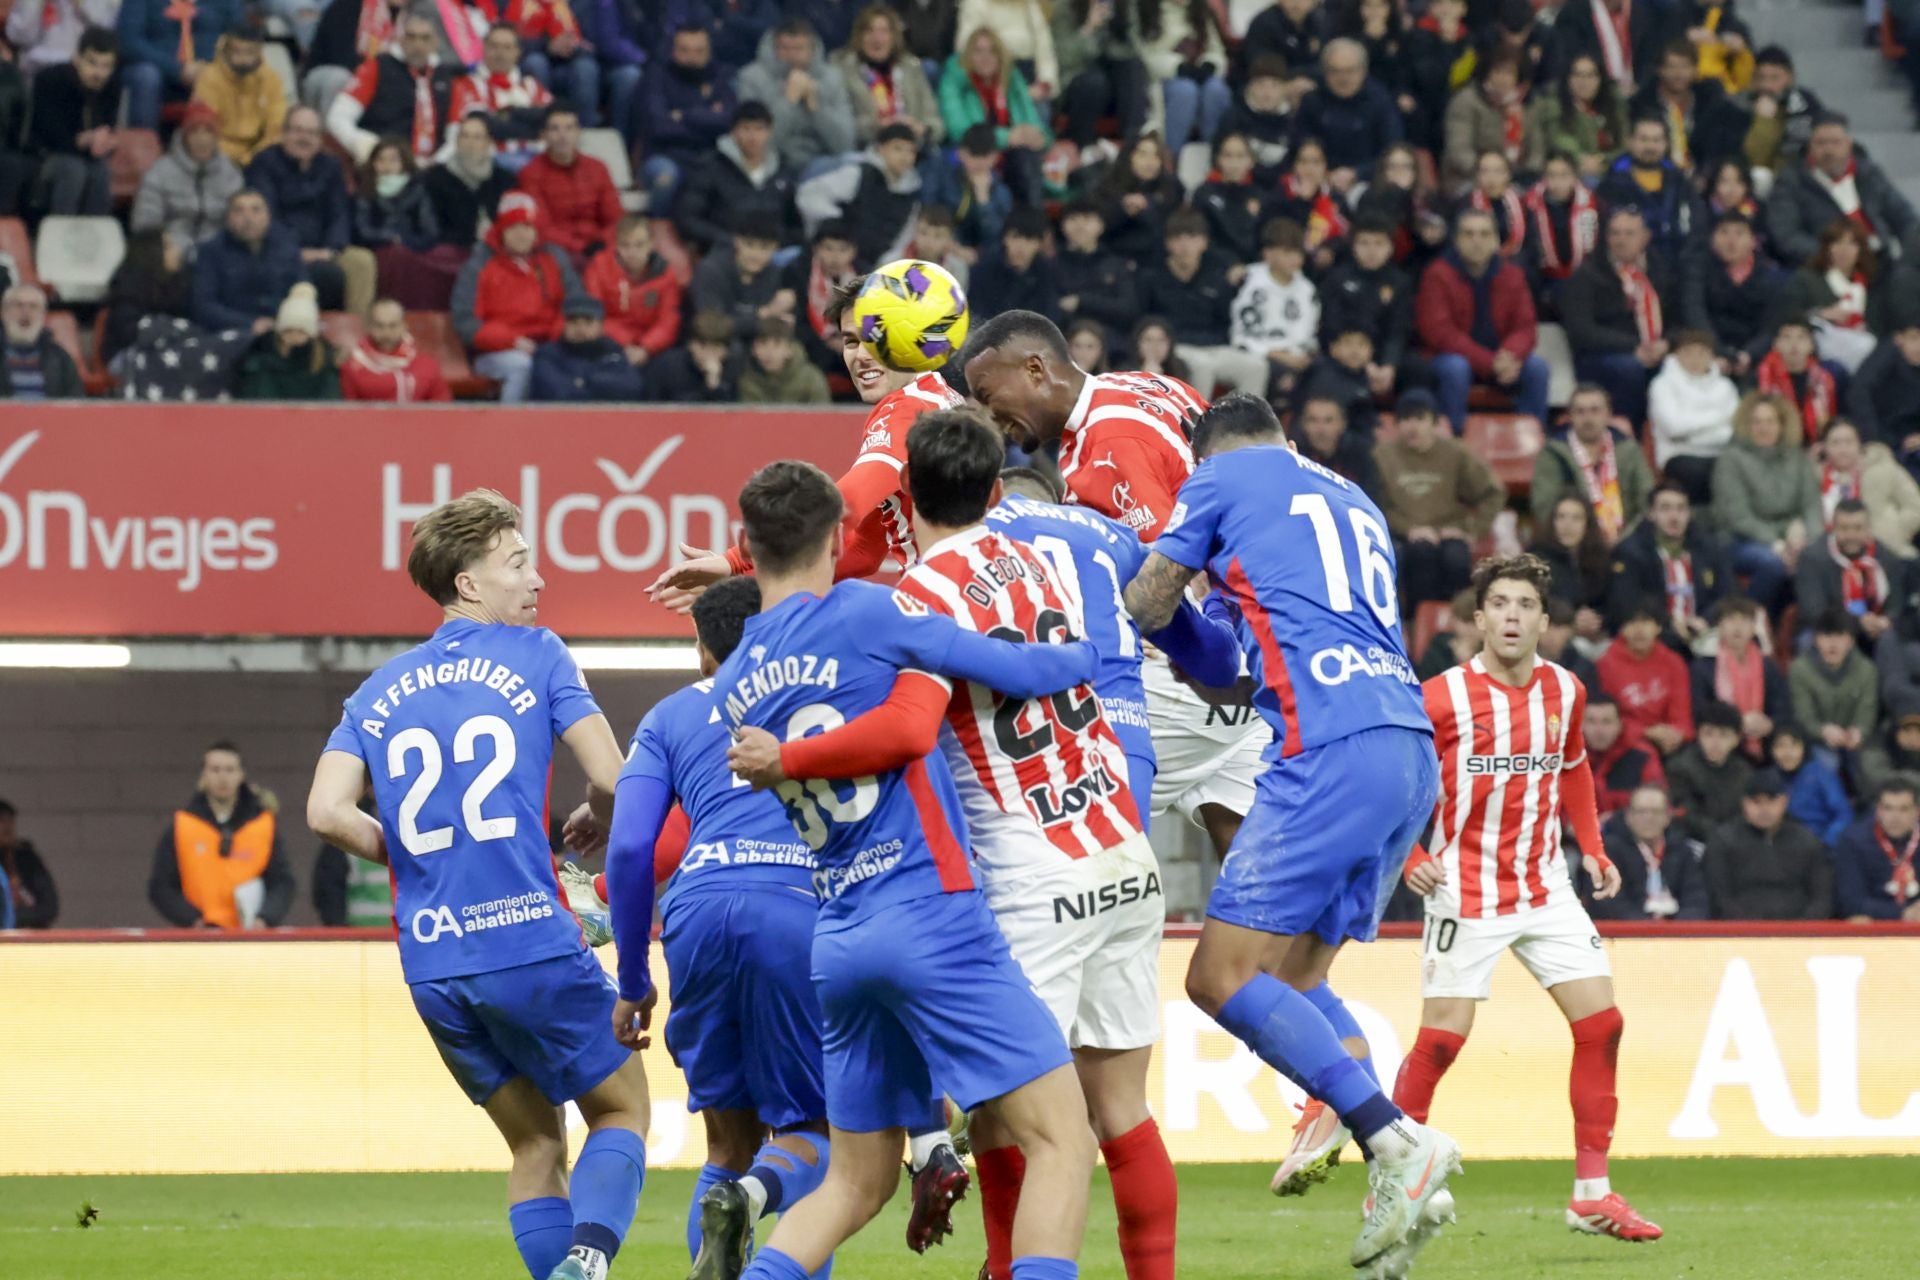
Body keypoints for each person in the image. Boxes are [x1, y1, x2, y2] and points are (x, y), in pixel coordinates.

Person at [735, 413, 1200, 1280]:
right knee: (1118, 1112)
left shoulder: (901, 601)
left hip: (1006, 877)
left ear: (902, 500)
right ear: (996, 492)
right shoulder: (1054, 559)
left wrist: (787, 756)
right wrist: (1088, 657)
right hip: (1119, 849)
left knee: (1007, 1132)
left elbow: (910, 723)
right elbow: (1109, 638)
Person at [1122, 393, 1458, 1276]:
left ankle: (1396, 1142)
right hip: (1409, 748)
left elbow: (1151, 604)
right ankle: (1400, 1181)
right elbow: (1240, 662)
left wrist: (1128, 575)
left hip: (1328, 747)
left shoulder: (1218, 477)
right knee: (1295, 979)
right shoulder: (1352, 496)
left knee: (1217, 976)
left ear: (1208, 454)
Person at [305, 489, 645, 1280]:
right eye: (518, 563)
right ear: (468, 585)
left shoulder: (374, 694)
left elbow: (325, 812)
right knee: (623, 1109)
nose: (538, 581)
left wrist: (418, 858)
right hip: (530, 941)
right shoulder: (539, 653)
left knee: (534, 1143)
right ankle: (588, 1264)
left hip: (434, 965)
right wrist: (596, 813)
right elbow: (617, 782)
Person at [583, 576, 853, 1274]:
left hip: (696, 911)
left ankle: (731, 1215)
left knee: (727, 1149)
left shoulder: (670, 715)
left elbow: (632, 847)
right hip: (795, 904)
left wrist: (635, 980)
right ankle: (760, 1217)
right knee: (810, 1135)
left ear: (702, 649)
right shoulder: (816, 701)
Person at [1391, 553, 1660, 1243]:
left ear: (1544, 620)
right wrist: (1410, 853)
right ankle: (1391, 1188)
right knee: (1442, 1044)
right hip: (1464, 890)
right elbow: (1393, 779)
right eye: (1500, 604)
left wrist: (1594, 848)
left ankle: (1592, 1194)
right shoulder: (1440, 695)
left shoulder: (1567, 691)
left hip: (1545, 886)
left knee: (1603, 1025)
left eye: (1525, 605)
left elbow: (1572, 772)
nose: (1512, 616)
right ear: (1478, 619)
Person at [961, 312, 1270, 859]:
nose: (988, 414)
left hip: (1195, 682)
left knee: (1014, 798)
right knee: (1250, 866)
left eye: (988, 394)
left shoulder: (1108, 450)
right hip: (1260, 664)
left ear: (1035, 368)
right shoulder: (1145, 386)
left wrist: (1213, 655)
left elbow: (1171, 583)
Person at [649, 279, 963, 596]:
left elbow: (844, 504)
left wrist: (736, 558)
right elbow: (863, 552)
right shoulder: (938, 396)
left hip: (944, 603)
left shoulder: (906, 409)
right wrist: (743, 579)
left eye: (876, 339)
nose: (862, 355)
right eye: (851, 342)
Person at [1415, 208, 1549, 434]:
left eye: (1485, 234)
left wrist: (1510, 354)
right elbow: (1440, 332)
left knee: (1537, 368)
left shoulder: (1512, 275)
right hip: (1451, 359)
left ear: (1496, 241)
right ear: (1456, 240)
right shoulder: (1437, 274)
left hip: (1501, 360)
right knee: (1455, 368)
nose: (1477, 241)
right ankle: (1454, 439)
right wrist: (1490, 362)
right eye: (1469, 234)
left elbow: (1525, 327)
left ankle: (1531, 442)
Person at [1372, 388, 1505, 607]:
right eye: (1405, 419)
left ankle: (1460, 621)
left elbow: (1493, 492)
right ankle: (1417, 623)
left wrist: (1471, 530)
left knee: (1455, 557)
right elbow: (1376, 505)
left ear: (1435, 423)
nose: (1412, 427)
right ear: (1397, 425)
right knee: (1419, 555)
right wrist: (1408, 529)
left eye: (1420, 419)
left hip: (1449, 532)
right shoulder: (1381, 456)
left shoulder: (1456, 452)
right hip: (1404, 536)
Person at [452, 191, 585, 404]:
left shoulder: (553, 258)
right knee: (521, 365)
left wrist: (555, 339)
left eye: (527, 227)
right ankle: (510, 428)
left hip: (551, 344)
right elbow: (467, 323)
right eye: (513, 228)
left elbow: (575, 304)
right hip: (498, 352)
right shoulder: (479, 265)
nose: (521, 235)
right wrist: (512, 341)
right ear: (501, 231)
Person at [246, 105, 375, 318]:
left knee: (362, 261)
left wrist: (331, 249)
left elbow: (340, 213)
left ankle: (355, 333)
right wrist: (295, 251)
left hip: (325, 249)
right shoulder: (264, 164)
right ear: (284, 133)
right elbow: (264, 217)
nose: (304, 138)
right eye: (298, 130)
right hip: (277, 249)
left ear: (320, 139)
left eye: (312, 133)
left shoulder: (331, 166)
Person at [150, 740, 294, 929]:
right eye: (215, 770)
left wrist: (264, 918)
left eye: (229, 769)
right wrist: (193, 920)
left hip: (249, 936)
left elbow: (283, 882)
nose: (223, 777)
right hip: (200, 937)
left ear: (241, 774)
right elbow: (161, 886)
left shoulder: (262, 824)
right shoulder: (184, 825)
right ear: (204, 775)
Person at [1135, 207, 1265, 400]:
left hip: (1213, 346)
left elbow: (1224, 319)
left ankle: (1242, 425)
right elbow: (1147, 320)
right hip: (1175, 346)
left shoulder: (1216, 275)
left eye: (1192, 238)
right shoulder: (1153, 277)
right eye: (1177, 239)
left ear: (1204, 242)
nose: (1185, 245)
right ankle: (1197, 426)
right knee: (1203, 366)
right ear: (1168, 243)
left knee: (1256, 366)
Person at [1561, 207, 1673, 431]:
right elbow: (1582, 331)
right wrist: (1635, 347)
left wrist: (1666, 344)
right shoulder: (1588, 273)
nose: (1621, 240)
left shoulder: (1660, 269)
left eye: (1629, 233)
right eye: (1615, 233)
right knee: (1629, 369)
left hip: (1653, 349)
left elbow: (1677, 318)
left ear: (1645, 237)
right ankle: (1628, 435)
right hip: (1600, 356)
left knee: (1679, 367)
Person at [1712, 391, 1821, 613]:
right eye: (1757, 422)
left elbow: (1812, 506)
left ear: (1782, 425)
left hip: (1790, 540)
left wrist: (1807, 538)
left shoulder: (1798, 458)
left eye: (1771, 421)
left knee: (1819, 558)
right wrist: (1778, 543)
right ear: (1746, 425)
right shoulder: (1730, 460)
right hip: (1739, 540)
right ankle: (1746, 617)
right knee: (1772, 563)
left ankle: (1808, 629)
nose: (1764, 428)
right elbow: (1738, 517)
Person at [1766, 112, 1917, 270]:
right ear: (1810, 146)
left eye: (1835, 142)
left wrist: (1910, 253)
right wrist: (1834, 255)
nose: (1828, 150)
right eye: (1821, 143)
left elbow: (1904, 216)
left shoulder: (1868, 173)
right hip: (1823, 268)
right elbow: (1786, 236)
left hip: (1880, 260)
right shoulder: (1791, 182)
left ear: (1849, 144)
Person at [325, 11, 458, 165]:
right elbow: (337, 117)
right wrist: (367, 146)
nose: (417, 44)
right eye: (411, 36)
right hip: (383, 165)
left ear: (436, 42)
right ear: (400, 38)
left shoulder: (445, 76)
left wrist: (439, 162)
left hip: (431, 168)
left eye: (425, 38)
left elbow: (456, 130)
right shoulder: (377, 67)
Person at [1530, 384, 1656, 545]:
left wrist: (1627, 541)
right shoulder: (1553, 453)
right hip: (1573, 544)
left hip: (1627, 544)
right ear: (1570, 416)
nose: (1588, 419)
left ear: (1608, 414)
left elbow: (1646, 501)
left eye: (1595, 410)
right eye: (1580, 412)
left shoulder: (1629, 449)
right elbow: (1544, 506)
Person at [676, 101, 804, 258]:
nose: (752, 137)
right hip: (726, 255)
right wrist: (729, 242)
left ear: (769, 132)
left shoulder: (783, 171)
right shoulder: (710, 167)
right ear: (733, 132)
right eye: (746, 128)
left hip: (775, 256)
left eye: (759, 129)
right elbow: (688, 220)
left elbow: (796, 226)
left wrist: (773, 244)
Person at [1605, 482, 1730, 642]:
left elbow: (1728, 593)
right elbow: (1628, 601)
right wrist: (1671, 623)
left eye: (1680, 509)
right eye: (1665, 508)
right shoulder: (1631, 552)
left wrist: (1704, 620)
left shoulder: (1709, 548)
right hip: (1657, 635)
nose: (1674, 516)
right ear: (1651, 514)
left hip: (1703, 631)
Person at [1704, 770, 1834, 920]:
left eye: (1772, 800)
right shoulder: (1723, 841)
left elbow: (1822, 896)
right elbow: (1719, 897)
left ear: (1784, 802)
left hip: (1799, 933)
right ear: (1744, 803)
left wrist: (1802, 930)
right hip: (1740, 933)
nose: (1764, 809)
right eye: (1756, 801)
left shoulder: (1806, 840)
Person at [1318, 216, 1421, 406]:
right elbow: (1332, 325)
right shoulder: (1337, 279)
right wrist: (1363, 361)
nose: (1371, 251)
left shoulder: (1400, 282)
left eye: (1379, 244)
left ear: (1390, 247)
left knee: (1419, 371)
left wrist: (1389, 365)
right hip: (1345, 353)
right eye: (1364, 243)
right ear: (1353, 246)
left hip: (1386, 356)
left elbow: (1398, 329)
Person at [638, 25, 739, 216]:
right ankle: (657, 229)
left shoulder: (719, 78)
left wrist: (685, 115)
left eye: (699, 51)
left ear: (709, 52)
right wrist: (708, 118)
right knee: (667, 176)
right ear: (673, 50)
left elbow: (731, 122)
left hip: (710, 156)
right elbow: (660, 127)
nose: (692, 57)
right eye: (684, 50)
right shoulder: (656, 76)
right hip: (665, 155)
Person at [795, 121, 924, 268]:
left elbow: (902, 240)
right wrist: (837, 223)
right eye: (898, 149)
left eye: (911, 151)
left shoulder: (912, 194)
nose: (905, 157)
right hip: (832, 260)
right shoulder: (858, 174)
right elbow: (809, 195)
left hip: (873, 268)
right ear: (881, 149)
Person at [737, 18, 857, 172]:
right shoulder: (752, 78)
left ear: (812, 50)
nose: (791, 56)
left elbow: (845, 144)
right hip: (775, 164)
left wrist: (817, 108)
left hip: (825, 163)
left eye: (799, 49)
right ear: (773, 48)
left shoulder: (831, 78)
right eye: (784, 48)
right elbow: (755, 145)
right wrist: (789, 102)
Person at [26, 24, 120, 218]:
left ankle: (96, 237)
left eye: (105, 66)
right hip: (43, 159)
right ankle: (59, 235)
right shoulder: (50, 80)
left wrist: (106, 142)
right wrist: (83, 140)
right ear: (77, 58)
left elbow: (108, 128)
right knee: (72, 168)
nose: (98, 73)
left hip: (86, 159)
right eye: (92, 63)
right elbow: (46, 134)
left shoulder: (111, 88)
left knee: (101, 172)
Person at [1790, 609, 1887, 793]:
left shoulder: (1867, 669)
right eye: (1826, 636)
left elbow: (1867, 709)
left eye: (1840, 636)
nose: (1833, 644)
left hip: (1854, 738)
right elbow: (1803, 714)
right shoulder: (1799, 669)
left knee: (1869, 762)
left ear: (1850, 641)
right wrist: (1822, 731)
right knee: (1827, 762)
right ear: (1816, 639)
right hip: (1816, 738)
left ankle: (1872, 810)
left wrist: (1859, 731)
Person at [131, 100, 245, 258]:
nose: (202, 138)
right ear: (184, 137)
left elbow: (238, 223)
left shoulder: (231, 174)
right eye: (194, 131)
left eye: (208, 131)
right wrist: (170, 248)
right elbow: (145, 225)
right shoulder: (159, 173)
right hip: (171, 253)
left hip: (218, 256)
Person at [1291, 37, 1402, 192]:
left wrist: (1358, 173)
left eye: (1350, 71)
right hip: (1317, 181)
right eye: (1335, 71)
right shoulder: (1312, 102)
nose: (1343, 78)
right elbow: (1299, 145)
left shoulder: (1380, 102)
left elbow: (1392, 151)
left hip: (1369, 183)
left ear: (1363, 71)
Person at [1796, 498, 1907, 650]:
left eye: (1858, 528)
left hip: (1876, 631)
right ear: (1833, 528)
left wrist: (1886, 621)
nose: (1851, 535)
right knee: (1808, 641)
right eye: (1844, 528)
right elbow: (1814, 612)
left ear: (1869, 529)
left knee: (1892, 639)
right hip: (1829, 628)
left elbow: (1897, 604)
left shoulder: (1886, 558)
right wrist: (1858, 623)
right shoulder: (1812, 559)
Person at [191, 189, 306, 335]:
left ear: (268, 216)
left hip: (282, 329)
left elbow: (302, 288)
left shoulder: (286, 246)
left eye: (256, 210)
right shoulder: (211, 252)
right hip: (234, 333)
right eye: (239, 211)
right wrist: (250, 324)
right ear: (228, 218)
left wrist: (292, 321)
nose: (248, 218)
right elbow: (204, 306)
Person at [515, 108, 622, 265]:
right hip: (556, 251)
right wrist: (581, 247)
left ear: (579, 133)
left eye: (569, 128)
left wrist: (602, 242)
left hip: (600, 246)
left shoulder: (598, 168)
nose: (562, 135)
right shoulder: (531, 173)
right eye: (555, 129)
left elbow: (616, 217)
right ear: (543, 135)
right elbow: (541, 226)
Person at [1230, 217, 1318, 405]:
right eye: (1287, 252)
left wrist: (1304, 355)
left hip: (1297, 356)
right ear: (1268, 253)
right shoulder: (1250, 281)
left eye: (1298, 253)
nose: (1295, 259)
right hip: (1262, 354)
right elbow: (1242, 336)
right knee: (1281, 377)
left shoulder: (1307, 289)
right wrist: (1280, 356)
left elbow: (1310, 334)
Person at [1679, 211, 1777, 378]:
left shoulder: (1768, 275)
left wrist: (1749, 355)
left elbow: (1771, 325)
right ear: (1712, 239)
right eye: (1724, 232)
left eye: (1739, 233)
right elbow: (1695, 312)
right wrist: (1718, 351)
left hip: (1751, 355)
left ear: (1753, 241)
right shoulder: (1698, 268)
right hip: (1707, 349)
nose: (1731, 241)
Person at [444, 23, 555, 171]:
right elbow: (473, 128)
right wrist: (529, 125)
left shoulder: (532, 86)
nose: (500, 53)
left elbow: (552, 122)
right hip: (488, 165)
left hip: (535, 163)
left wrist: (507, 116)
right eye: (494, 46)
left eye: (507, 47)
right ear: (484, 48)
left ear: (518, 52)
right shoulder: (465, 85)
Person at [1590, 785, 1710, 921]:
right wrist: (1647, 929)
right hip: (1629, 934)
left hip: (1677, 934)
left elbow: (1696, 898)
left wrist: (1677, 930)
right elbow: (1610, 903)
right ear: (1628, 816)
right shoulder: (1609, 852)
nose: (1649, 818)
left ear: (1668, 817)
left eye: (1656, 812)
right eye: (1641, 811)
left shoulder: (1682, 851)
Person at [834, 3, 945, 149]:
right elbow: (841, 125)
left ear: (894, 37)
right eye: (869, 31)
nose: (877, 38)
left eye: (884, 31)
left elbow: (935, 121)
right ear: (859, 36)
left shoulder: (911, 68)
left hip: (913, 148)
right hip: (868, 149)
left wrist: (922, 129)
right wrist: (877, 127)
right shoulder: (843, 71)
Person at [116, 0, 241, 130]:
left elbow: (238, 36)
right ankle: (143, 144)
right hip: (157, 68)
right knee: (146, 76)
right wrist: (177, 69)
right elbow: (129, 42)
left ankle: (233, 145)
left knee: (239, 69)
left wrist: (210, 69)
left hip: (210, 68)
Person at [1648, 330, 1739, 505]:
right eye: (1688, 352)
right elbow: (1673, 428)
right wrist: (1719, 417)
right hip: (1680, 455)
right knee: (1698, 473)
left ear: (1712, 356)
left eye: (1702, 353)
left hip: (1723, 453)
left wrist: (1691, 434)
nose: (1695, 359)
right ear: (1676, 355)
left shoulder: (1726, 386)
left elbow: (1736, 427)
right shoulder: (1662, 385)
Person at [583, 216, 683, 372]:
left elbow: (668, 320)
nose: (632, 252)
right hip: (610, 343)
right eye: (625, 245)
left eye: (639, 245)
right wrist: (626, 343)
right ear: (616, 245)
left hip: (651, 348)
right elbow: (595, 315)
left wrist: (645, 347)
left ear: (651, 245)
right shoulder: (598, 267)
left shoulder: (665, 275)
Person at [1598, 600, 1696, 756]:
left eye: (1646, 622)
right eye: (1632, 623)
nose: (1639, 630)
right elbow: (1606, 717)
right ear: (1622, 630)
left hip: (1671, 742)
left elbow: (1682, 714)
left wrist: (1675, 734)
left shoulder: (1673, 662)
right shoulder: (1606, 665)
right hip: (1625, 742)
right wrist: (1646, 732)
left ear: (1658, 628)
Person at [1692, 596, 1787, 756]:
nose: (1737, 627)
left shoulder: (1767, 665)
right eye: (1730, 620)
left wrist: (1769, 724)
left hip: (1764, 741)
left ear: (1753, 628)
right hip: (1720, 744)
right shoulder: (1703, 666)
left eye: (1744, 621)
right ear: (1719, 627)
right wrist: (1737, 722)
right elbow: (1699, 710)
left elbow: (1783, 707)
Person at [1050, 0, 1148, 150]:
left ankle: (1131, 147)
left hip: (1116, 87)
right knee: (1094, 83)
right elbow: (1065, 58)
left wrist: (1121, 31)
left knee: (1132, 68)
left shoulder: (1124, 5)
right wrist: (1089, 27)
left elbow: (1137, 51)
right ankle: (1080, 151)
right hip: (1077, 81)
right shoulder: (1065, 6)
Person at [1819, 418, 1920, 557]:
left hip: (1887, 551)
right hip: (1829, 555)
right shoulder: (1815, 477)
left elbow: (1915, 506)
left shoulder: (1884, 468)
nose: (1843, 449)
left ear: (1860, 444)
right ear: (1824, 447)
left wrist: (1895, 532)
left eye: (1849, 442)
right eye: (1835, 443)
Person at [191, 23, 286, 166]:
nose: (243, 59)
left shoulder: (271, 79)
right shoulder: (209, 78)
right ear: (226, 51)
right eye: (237, 52)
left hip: (260, 156)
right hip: (218, 157)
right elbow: (204, 129)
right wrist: (239, 159)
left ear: (259, 52)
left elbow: (276, 127)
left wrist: (255, 156)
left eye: (249, 53)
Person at [1830, 776, 1920, 922]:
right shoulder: (1853, 841)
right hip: (1873, 930)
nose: (1895, 817)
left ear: (1917, 811)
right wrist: (1904, 913)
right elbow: (1851, 903)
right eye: (1888, 808)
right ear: (1878, 810)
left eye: (1904, 809)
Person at [1527, 55, 1628, 181]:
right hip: (1569, 171)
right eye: (1578, 75)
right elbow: (1558, 138)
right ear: (1568, 79)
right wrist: (1581, 158)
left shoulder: (1613, 107)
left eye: (1590, 76)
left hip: (1608, 170)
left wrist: (1603, 159)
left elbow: (1624, 144)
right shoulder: (1554, 106)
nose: (1584, 81)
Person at [689, 211, 789, 339]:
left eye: (765, 247)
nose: (755, 254)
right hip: (712, 345)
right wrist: (762, 316)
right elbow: (713, 326)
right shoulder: (710, 271)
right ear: (737, 241)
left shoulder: (774, 273)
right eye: (749, 245)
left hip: (758, 346)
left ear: (776, 248)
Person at [525, 296, 644, 402]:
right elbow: (558, 393)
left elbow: (631, 388)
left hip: (606, 421)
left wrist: (585, 381)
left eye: (588, 322)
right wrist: (600, 390)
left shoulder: (613, 353)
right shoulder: (547, 354)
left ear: (601, 326)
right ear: (564, 325)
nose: (580, 329)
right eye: (573, 322)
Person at [233, 282, 341, 399]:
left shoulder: (324, 365)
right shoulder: (261, 362)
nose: (294, 336)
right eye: (288, 331)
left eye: (301, 332)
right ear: (279, 333)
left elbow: (331, 402)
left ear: (311, 336)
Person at [1664, 700, 1753, 842]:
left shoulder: (1744, 771)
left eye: (1723, 735)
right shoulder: (1680, 767)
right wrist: (1723, 837)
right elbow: (1687, 815)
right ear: (1698, 734)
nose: (1715, 742)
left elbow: (1745, 813)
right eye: (1708, 734)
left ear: (1736, 739)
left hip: (1735, 841)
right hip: (1692, 840)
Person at [425, 114, 516, 250]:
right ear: (457, 141)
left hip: (497, 249)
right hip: (450, 250)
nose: (470, 142)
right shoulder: (435, 177)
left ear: (489, 142)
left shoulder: (504, 179)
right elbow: (432, 225)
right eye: (464, 136)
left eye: (477, 137)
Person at [1441, 57, 1529, 195]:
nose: (1503, 78)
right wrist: (1489, 174)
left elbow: (1535, 149)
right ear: (1487, 73)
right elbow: (1459, 151)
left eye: (1509, 73)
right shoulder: (1466, 101)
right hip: (1468, 177)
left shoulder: (1522, 105)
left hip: (1511, 178)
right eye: (1498, 72)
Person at [1845, 316, 1920, 473]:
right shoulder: (1885, 359)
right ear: (1899, 338)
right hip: (1881, 437)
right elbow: (1858, 393)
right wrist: (1876, 441)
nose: (1918, 346)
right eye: (1914, 338)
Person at [1738, 46, 1825, 180]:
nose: (1766, 86)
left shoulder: (1805, 105)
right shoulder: (1738, 107)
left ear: (1789, 78)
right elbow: (1754, 158)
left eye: (1775, 78)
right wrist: (1763, 121)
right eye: (1761, 78)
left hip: (1798, 177)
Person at [1533, 494, 1612, 640]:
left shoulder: (1602, 557)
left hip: (1598, 635)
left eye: (1576, 518)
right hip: (1553, 635)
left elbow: (1612, 600)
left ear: (1587, 524)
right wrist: (1572, 619)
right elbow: (1536, 601)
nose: (1567, 525)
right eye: (1561, 517)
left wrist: (1597, 620)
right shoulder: (1537, 558)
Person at [341, 298, 452, 401]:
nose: (386, 333)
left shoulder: (427, 365)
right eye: (380, 326)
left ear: (404, 325)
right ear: (369, 327)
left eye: (393, 325)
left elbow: (443, 409)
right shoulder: (353, 368)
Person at [1096, 134, 1182, 261]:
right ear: (1129, 156)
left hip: (1157, 262)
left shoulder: (1172, 187)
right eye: (1143, 154)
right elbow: (1098, 228)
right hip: (1115, 260)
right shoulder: (1107, 187)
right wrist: (1123, 211)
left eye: (1156, 156)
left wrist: (1148, 206)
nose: (1150, 162)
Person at [969, 207, 1060, 326]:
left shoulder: (1046, 272)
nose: (1021, 247)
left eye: (1029, 239)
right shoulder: (983, 270)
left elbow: (1049, 316)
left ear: (1039, 244)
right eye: (1015, 237)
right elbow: (978, 314)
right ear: (1005, 238)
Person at [1769, 721, 1852, 847]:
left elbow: (1843, 815)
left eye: (1794, 746)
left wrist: (1825, 842)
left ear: (1804, 748)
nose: (1787, 752)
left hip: (1818, 845)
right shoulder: (1768, 777)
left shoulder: (1820, 774)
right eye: (1780, 746)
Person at [1585, 692, 1668, 815]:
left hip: (1627, 831)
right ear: (1579, 724)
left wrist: (1615, 821)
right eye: (1591, 721)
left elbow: (1656, 803)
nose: (1599, 730)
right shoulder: (1565, 756)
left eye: (1606, 722)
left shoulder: (1642, 755)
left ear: (1620, 724)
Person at [0, 284, 83, 400]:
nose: (25, 312)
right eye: (18, 305)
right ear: (3, 312)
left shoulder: (60, 358)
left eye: (33, 306)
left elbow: (76, 403)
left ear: (43, 315)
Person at [644, 310, 741, 403]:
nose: (708, 353)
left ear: (727, 350)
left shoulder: (733, 369)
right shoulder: (667, 366)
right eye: (702, 346)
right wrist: (707, 390)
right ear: (691, 344)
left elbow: (733, 412)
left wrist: (714, 385)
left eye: (716, 347)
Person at [738, 314, 832, 403]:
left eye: (777, 344)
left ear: (789, 350)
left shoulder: (811, 379)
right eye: (762, 344)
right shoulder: (748, 381)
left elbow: (823, 415)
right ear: (753, 350)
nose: (769, 352)